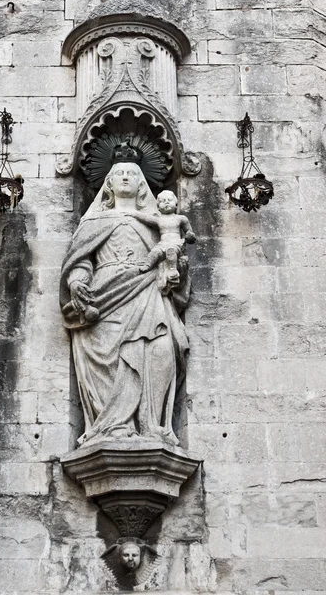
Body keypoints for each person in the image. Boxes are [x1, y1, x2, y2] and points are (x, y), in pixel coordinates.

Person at [60, 152, 191, 446]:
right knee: (108, 359)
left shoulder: (156, 222)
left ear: (142, 184)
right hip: (104, 298)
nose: (124, 177)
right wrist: (77, 280)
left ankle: (152, 425)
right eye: (118, 173)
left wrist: (176, 271)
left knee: (161, 350)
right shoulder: (93, 221)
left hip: (147, 291)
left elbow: (171, 258)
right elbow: (81, 259)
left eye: (131, 173)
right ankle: (112, 426)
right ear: (108, 183)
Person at [125, 189, 196, 290]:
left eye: (169, 200)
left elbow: (190, 232)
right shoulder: (159, 219)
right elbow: (146, 219)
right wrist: (135, 214)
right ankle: (147, 265)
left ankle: (172, 270)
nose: (166, 202)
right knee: (155, 252)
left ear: (176, 204)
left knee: (171, 252)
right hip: (163, 243)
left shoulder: (181, 218)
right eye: (163, 201)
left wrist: (190, 236)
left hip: (176, 243)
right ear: (158, 207)